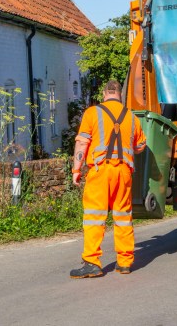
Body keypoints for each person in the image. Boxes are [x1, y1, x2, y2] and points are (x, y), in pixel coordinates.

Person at [70, 80, 146, 279]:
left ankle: (92, 262)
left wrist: (76, 169)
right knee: (123, 217)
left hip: (100, 170)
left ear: (104, 94)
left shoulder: (92, 113)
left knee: (94, 216)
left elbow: (82, 143)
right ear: (119, 94)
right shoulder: (132, 117)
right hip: (124, 171)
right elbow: (140, 146)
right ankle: (125, 262)